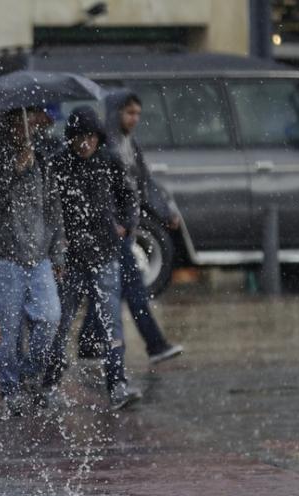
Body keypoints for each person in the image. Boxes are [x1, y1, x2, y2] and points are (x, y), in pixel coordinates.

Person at [44, 106, 142, 410]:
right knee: (61, 324)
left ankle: (117, 384)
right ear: (71, 139)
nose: (85, 144)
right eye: (79, 139)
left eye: (90, 138)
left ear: (98, 138)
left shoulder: (108, 161)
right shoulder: (58, 164)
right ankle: (49, 384)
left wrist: (125, 224)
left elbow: (128, 194)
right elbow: (47, 207)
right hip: (71, 257)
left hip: (104, 252)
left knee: (111, 323)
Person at [78, 91, 183, 365]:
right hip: (112, 232)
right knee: (131, 288)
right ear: (116, 112)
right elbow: (100, 191)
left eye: (137, 113)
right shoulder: (105, 145)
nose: (134, 119)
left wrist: (165, 211)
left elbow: (143, 183)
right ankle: (155, 344)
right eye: (129, 113)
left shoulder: (129, 144)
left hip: (124, 229)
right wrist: (114, 222)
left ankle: (89, 342)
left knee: (108, 289)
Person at [0, 108, 66, 414]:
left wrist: (57, 254)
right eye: (18, 122)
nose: (24, 127)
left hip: (38, 256)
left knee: (50, 318)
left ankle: (29, 372)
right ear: (9, 125)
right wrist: (14, 171)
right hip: (3, 258)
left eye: (28, 121)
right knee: (8, 331)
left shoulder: (42, 160)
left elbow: (53, 210)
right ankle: (10, 390)